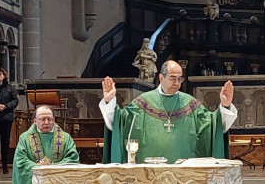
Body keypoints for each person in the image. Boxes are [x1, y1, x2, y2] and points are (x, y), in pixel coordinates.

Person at [100, 60, 238, 164]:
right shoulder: (142, 103)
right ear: (161, 78)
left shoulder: (190, 104)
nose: (177, 83)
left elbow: (213, 126)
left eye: (180, 78)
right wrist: (109, 101)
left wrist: (225, 106)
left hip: (185, 177)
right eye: (172, 78)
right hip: (149, 176)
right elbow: (119, 122)